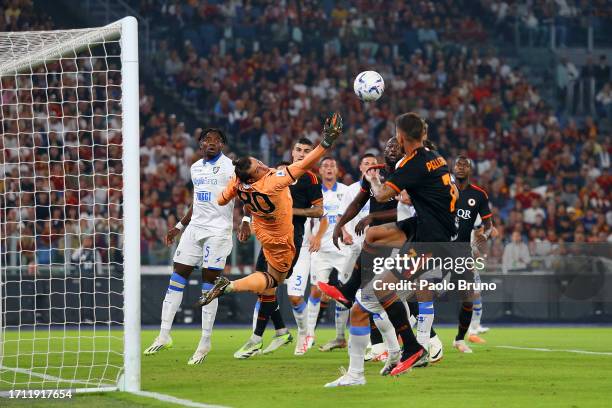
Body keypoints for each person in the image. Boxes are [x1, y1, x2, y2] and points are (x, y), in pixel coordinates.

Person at [325, 112, 458, 386]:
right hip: (427, 230)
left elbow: (383, 195)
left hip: (431, 242)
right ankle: (356, 374)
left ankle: (413, 347)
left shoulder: (413, 163)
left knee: (383, 289)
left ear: (400, 137)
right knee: (361, 307)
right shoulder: (436, 157)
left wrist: (374, 180)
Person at [198, 113, 342, 305]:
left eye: (258, 161)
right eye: (258, 166)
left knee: (267, 281)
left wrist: (234, 185)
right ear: (253, 176)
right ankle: (229, 286)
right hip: (280, 239)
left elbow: (222, 200)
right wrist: (326, 141)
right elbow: (306, 164)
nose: (262, 165)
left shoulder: (238, 183)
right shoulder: (273, 182)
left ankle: (267, 329)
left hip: (263, 232)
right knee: (275, 280)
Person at [144, 128, 236, 366]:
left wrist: (245, 221)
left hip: (218, 231)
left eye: (216, 139)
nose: (211, 142)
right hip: (195, 228)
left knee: (209, 284)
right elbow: (197, 202)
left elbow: (244, 195)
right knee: (177, 276)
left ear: (222, 145)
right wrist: (178, 226)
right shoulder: (195, 168)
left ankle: (205, 341)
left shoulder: (230, 168)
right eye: (206, 139)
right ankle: (164, 334)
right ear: (200, 145)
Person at [234, 138, 324, 358]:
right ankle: (282, 331)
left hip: (290, 241)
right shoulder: (274, 175)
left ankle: (257, 339)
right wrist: (246, 220)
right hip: (268, 238)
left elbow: (319, 211)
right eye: (299, 150)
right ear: (292, 152)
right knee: (262, 287)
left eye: (306, 151)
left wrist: (290, 211)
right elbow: (251, 199)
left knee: (269, 286)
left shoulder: (310, 178)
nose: (302, 154)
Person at [302, 156, 349, 354]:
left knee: (344, 293)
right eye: (325, 166)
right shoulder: (314, 191)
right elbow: (305, 219)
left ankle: (340, 336)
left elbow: (352, 217)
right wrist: (312, 236)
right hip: (319, 248)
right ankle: (309, 334)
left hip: (342, 249)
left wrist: (348, 234)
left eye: (332, 165)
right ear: (320, 171)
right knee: (316, 290)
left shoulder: (346, 192)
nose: (329, 168)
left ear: (338, 171)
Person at [451, 156, 495, 353]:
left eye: (464, 165)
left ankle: (460, 339)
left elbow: (488, 225)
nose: (460, 168)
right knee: (421, 293)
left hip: (462, 252)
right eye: (458, 165)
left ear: (470, 170)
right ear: (452, 168)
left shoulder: (478, 195)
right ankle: (419, 339)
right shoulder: (442, 189)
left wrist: (484, 236)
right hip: (439, 248)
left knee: (468, 297)